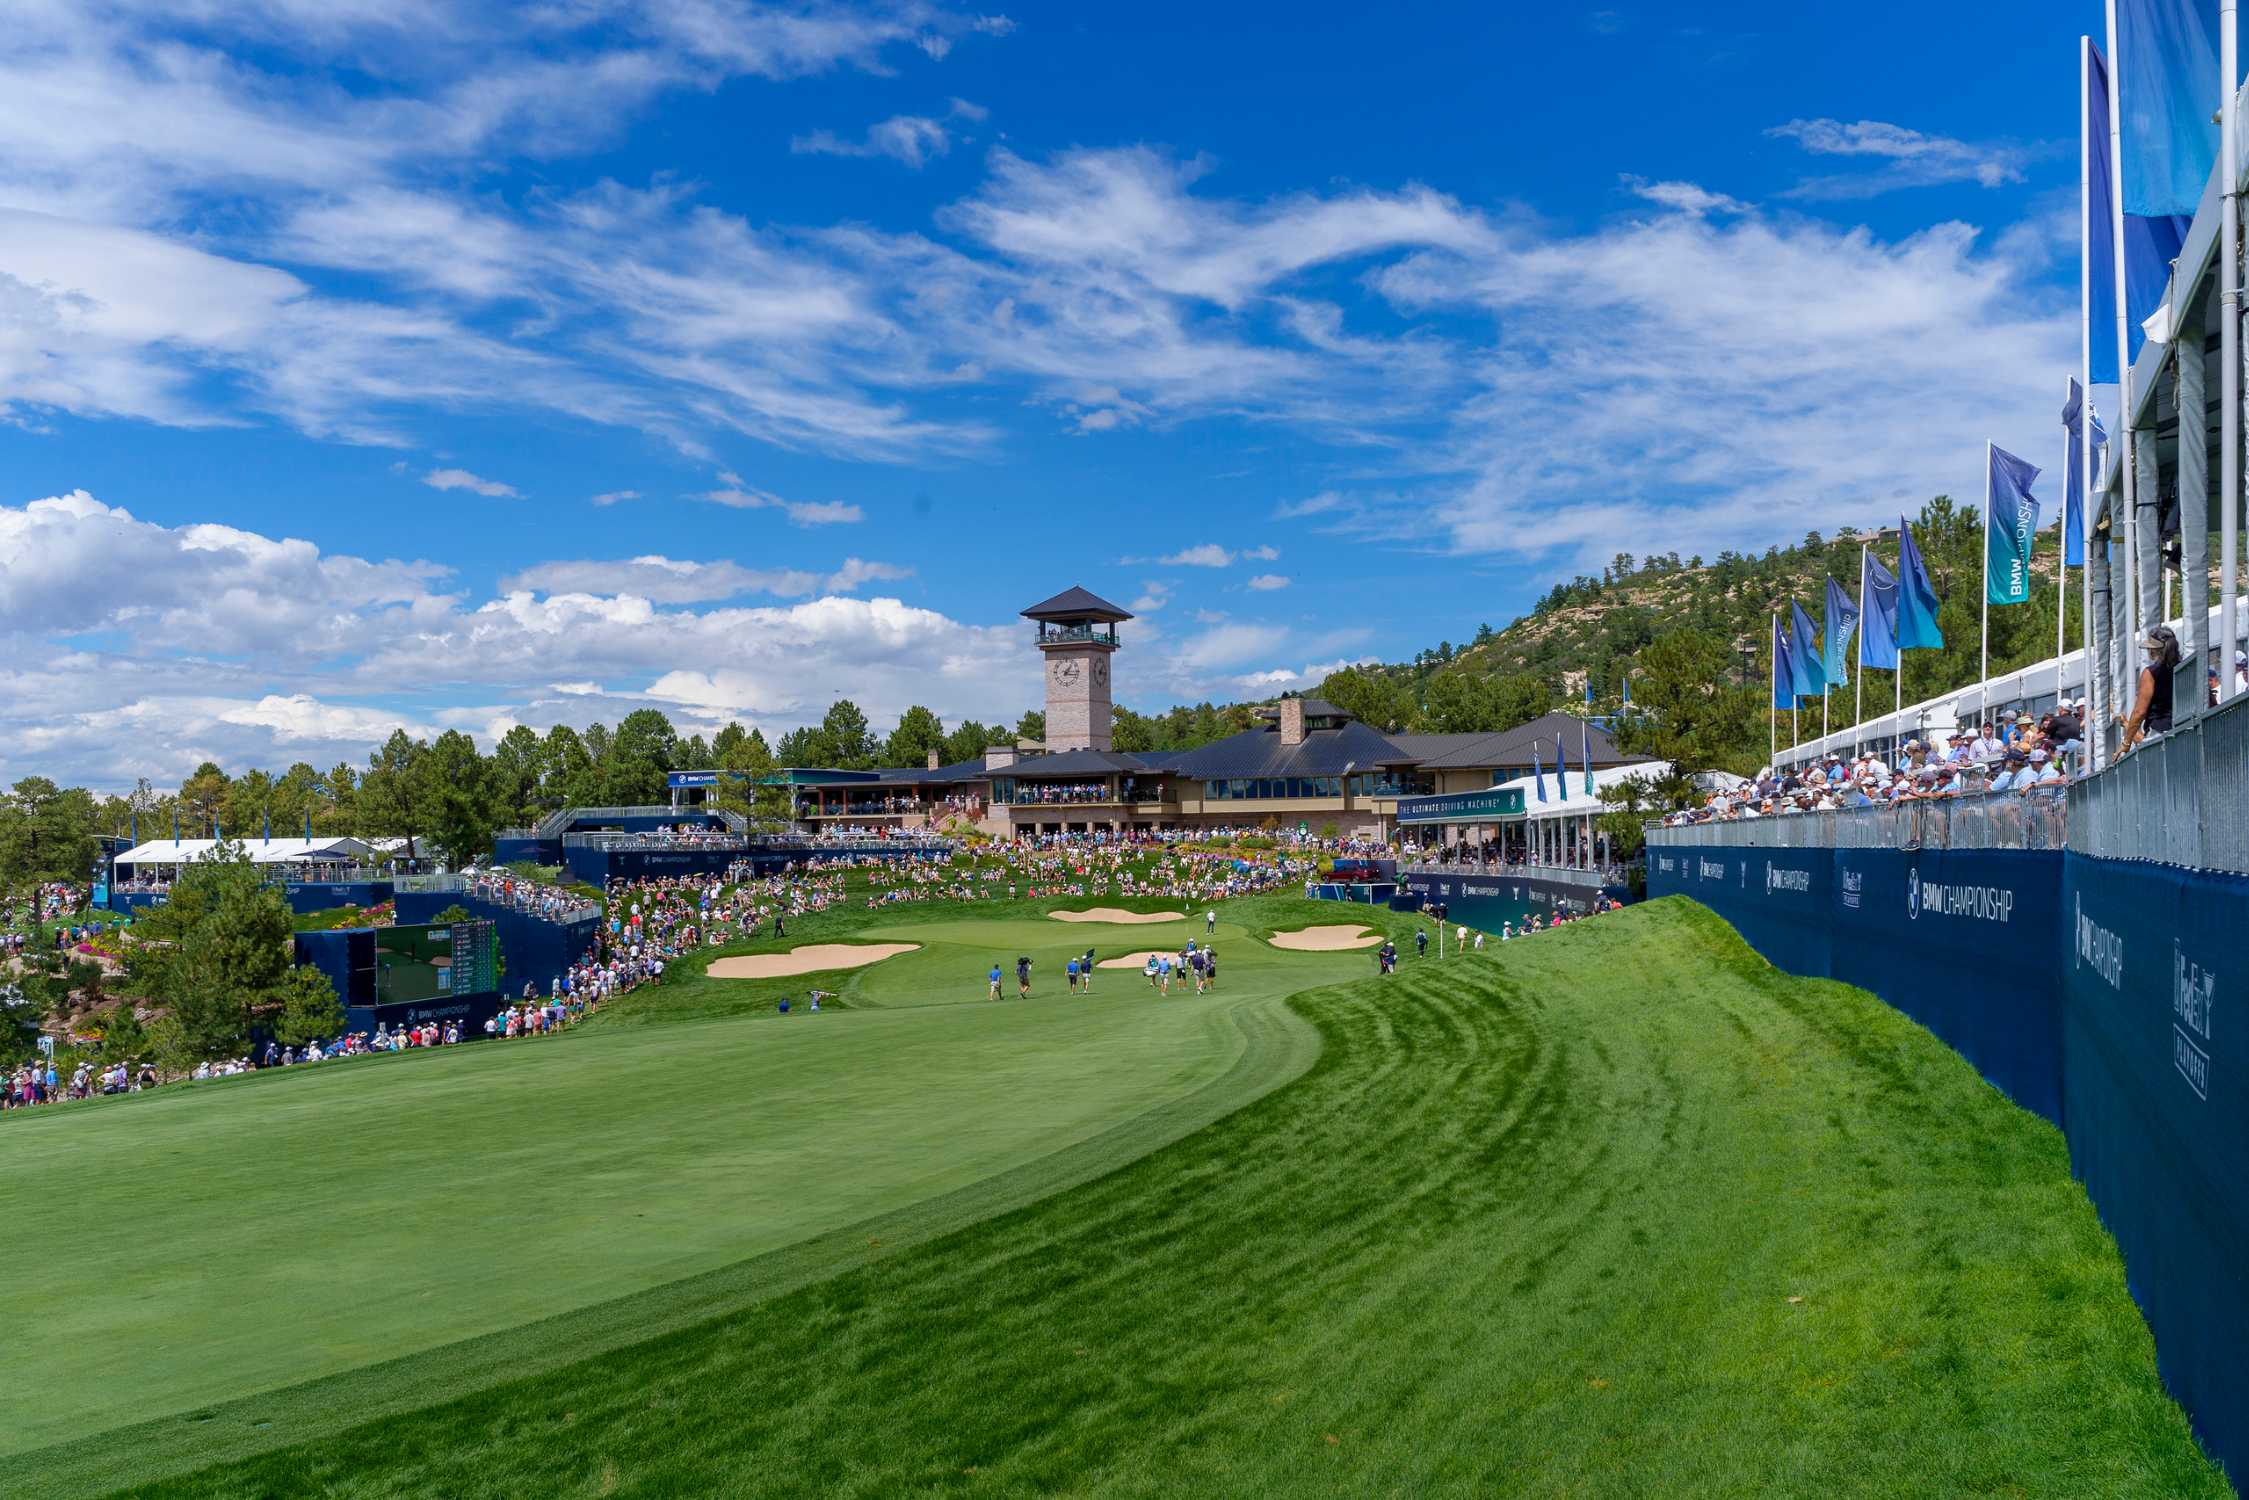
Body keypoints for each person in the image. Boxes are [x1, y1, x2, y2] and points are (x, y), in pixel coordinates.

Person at [2118, 625, 2181, 754]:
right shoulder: (2185, 668)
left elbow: (2139, 712)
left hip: (2159, 734)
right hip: (2183, 731)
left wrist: (2126, 742)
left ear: (2153, 650)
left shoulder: (2151, 673)